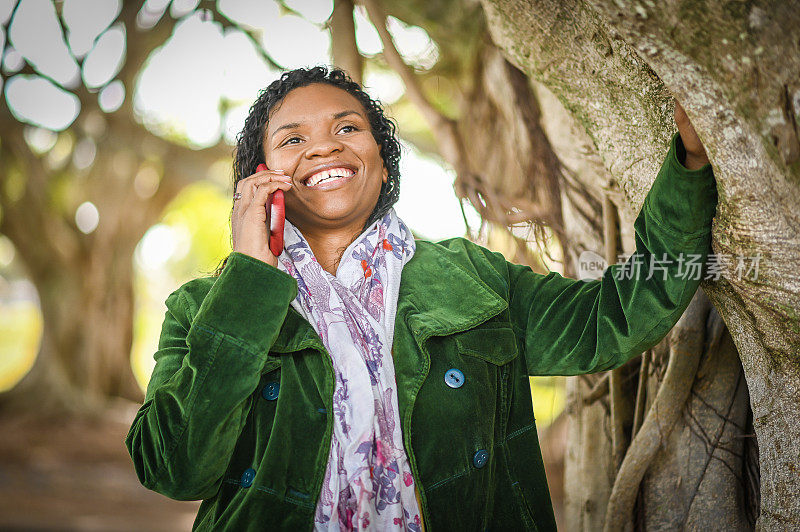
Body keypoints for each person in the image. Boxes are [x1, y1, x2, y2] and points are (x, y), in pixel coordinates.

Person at [125, 66, 716, 531]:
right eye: (292, 138)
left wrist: (690, 164)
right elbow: (174, 469)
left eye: (347, 128)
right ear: (260, 177)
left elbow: (613, 319)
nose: (323, 148)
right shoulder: (203, 308)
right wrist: (251, 277)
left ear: (383, 166)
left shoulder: (470, 276)